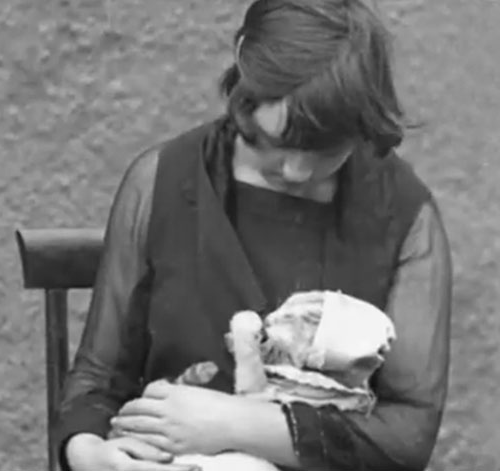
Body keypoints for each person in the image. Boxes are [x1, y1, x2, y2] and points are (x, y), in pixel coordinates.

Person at [57, 0, 452, 470]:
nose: (296, 169)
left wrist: (235, 425)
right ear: (245, 91)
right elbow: (97, 381)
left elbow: (407, 437)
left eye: (326, 149)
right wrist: (94, 457)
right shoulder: (163, 182)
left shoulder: (403, 216)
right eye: (275, 143)